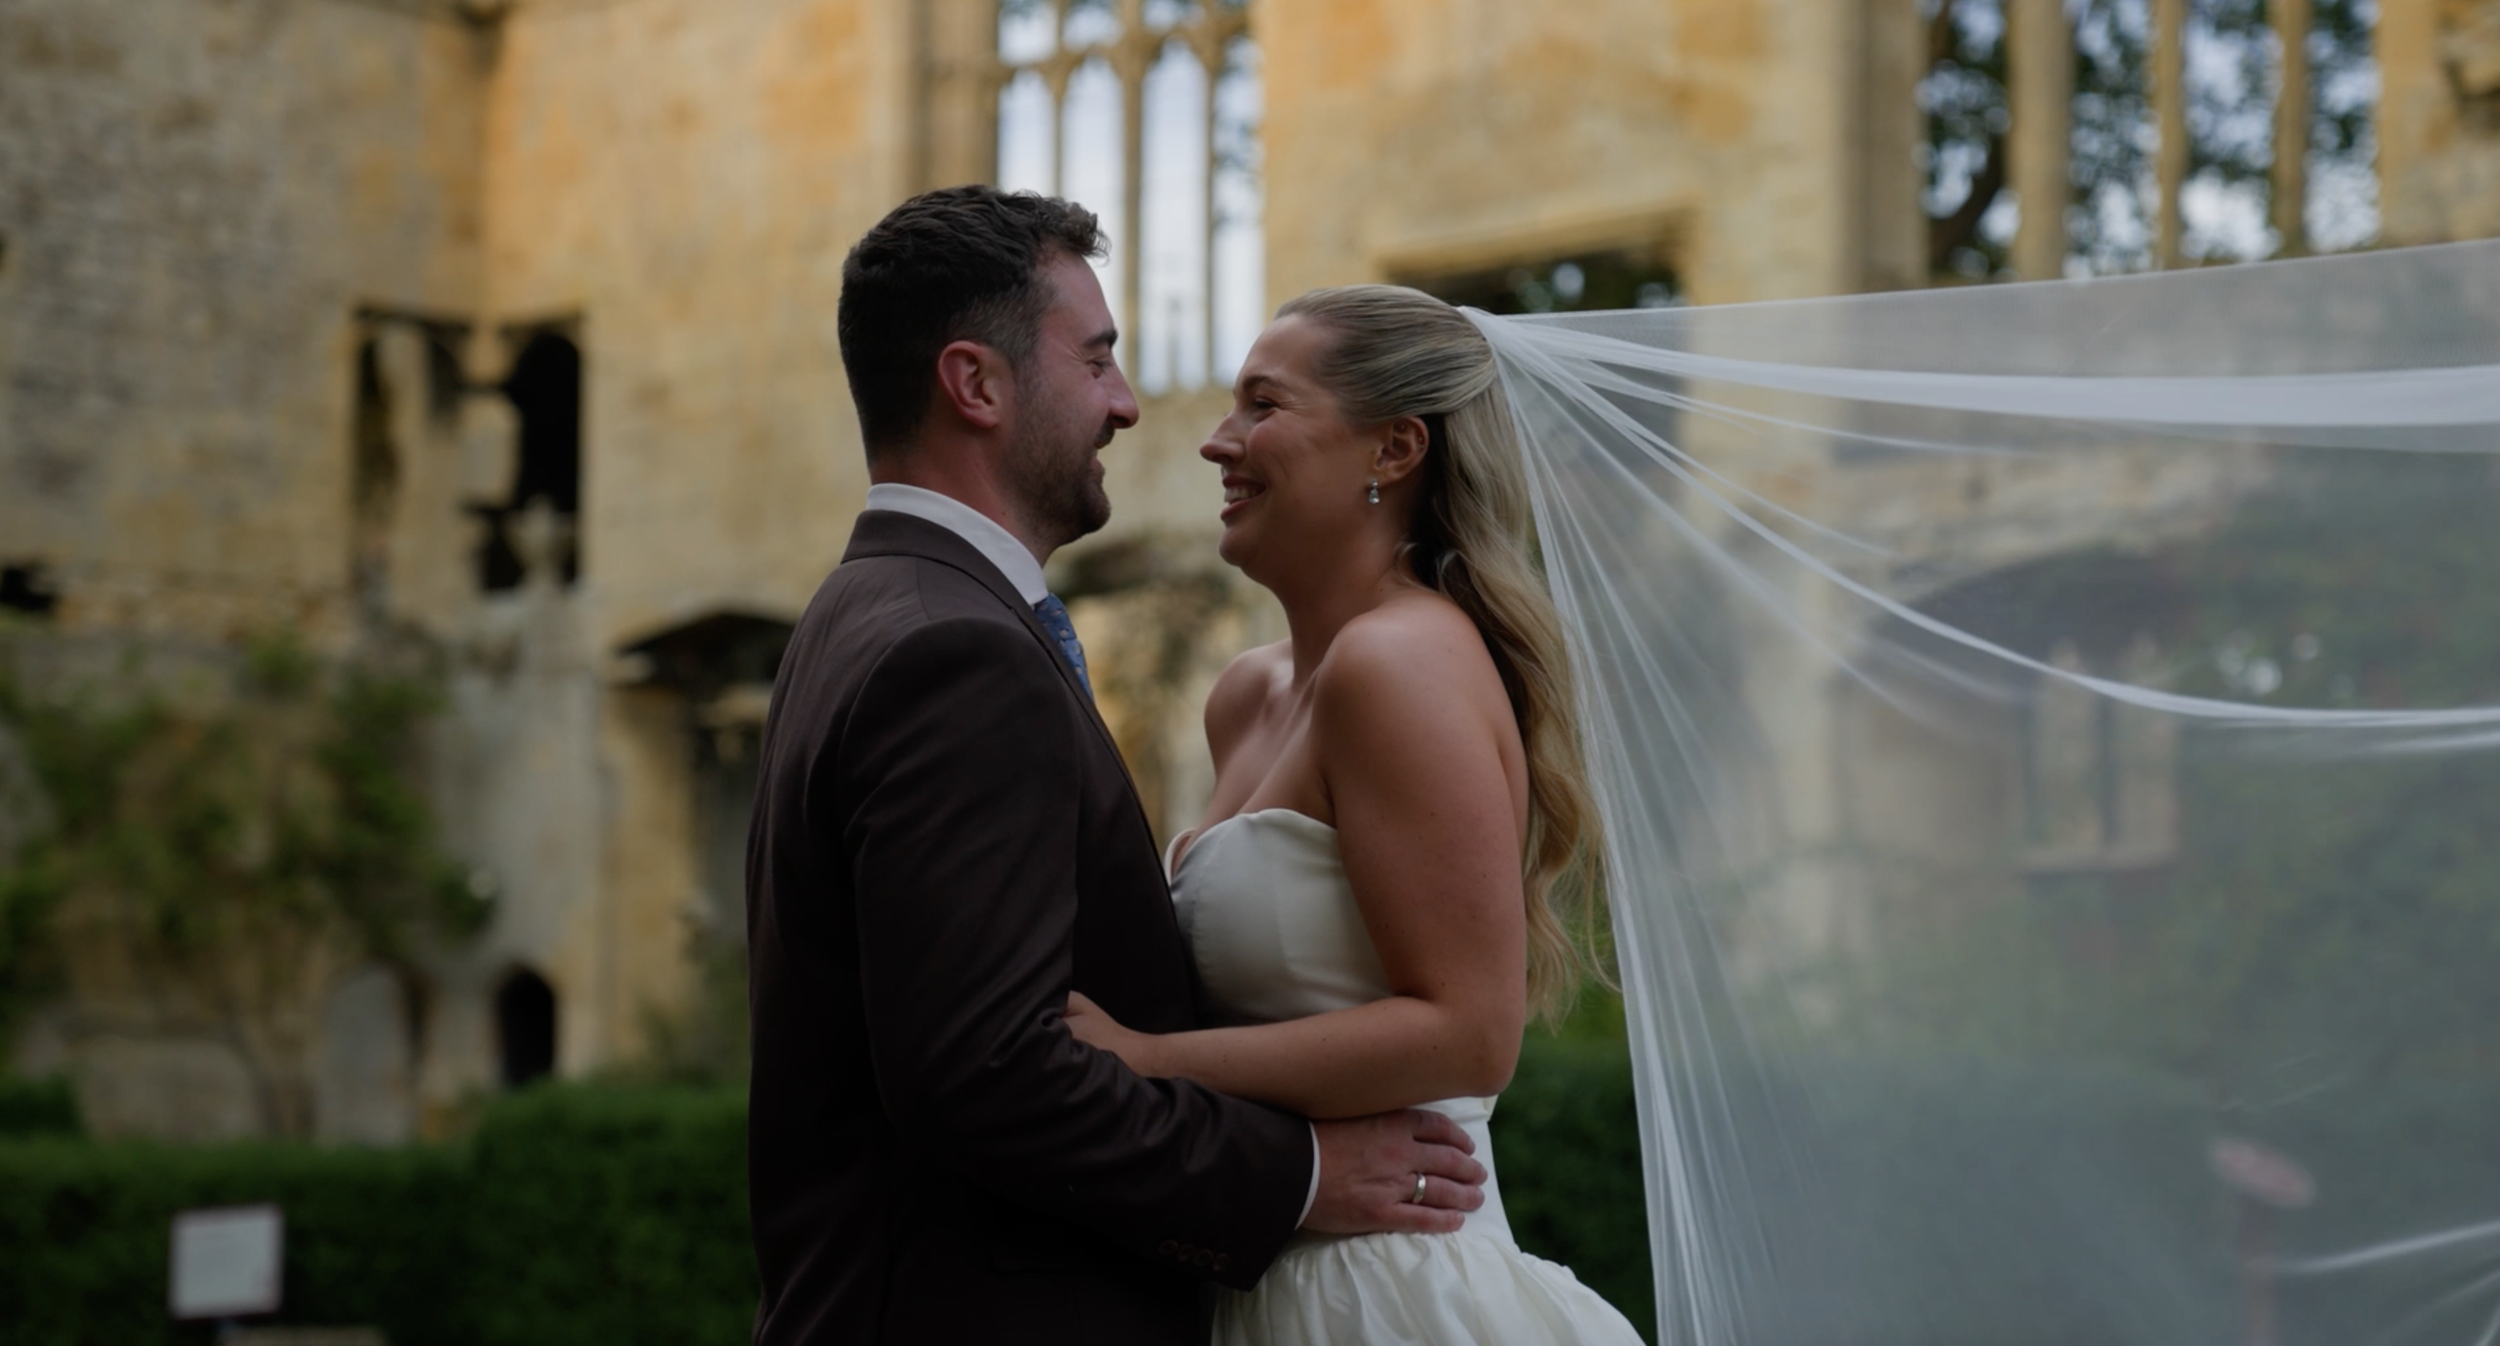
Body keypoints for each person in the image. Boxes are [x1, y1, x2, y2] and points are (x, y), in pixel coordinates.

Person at [743, 188, 1489, 1346]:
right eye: (1096, 361)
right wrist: (1293, 1174)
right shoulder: (957, 648)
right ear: (975, 385)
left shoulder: (862, 613)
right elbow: (988, 1073)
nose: (1133, 408)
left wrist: (1163, 1068)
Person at [1063, 284, 1646, 1344]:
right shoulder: (1247, 694)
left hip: (1384, 1287)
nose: (1214, 443)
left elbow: (1470, 1033)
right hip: (1260, 1266)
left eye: (1261, 406)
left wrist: (1144, 1060)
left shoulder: (1399, 663)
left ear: (1393, 449)